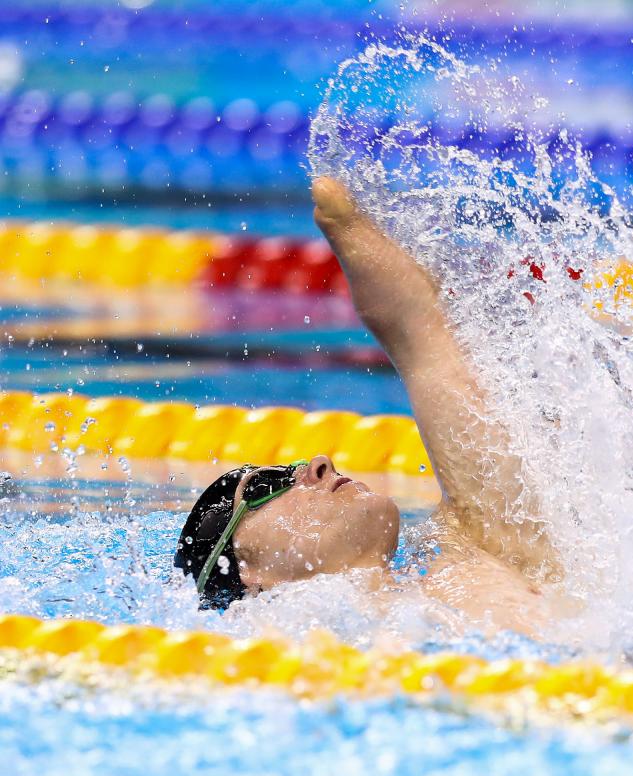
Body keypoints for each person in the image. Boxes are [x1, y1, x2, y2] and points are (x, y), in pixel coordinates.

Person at [174, 177, 562, 638]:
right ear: (250, 572)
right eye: (265, 487)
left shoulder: (477, 553)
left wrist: (349, 225)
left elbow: (419, 331)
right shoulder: (300, 663)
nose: (317, 464)